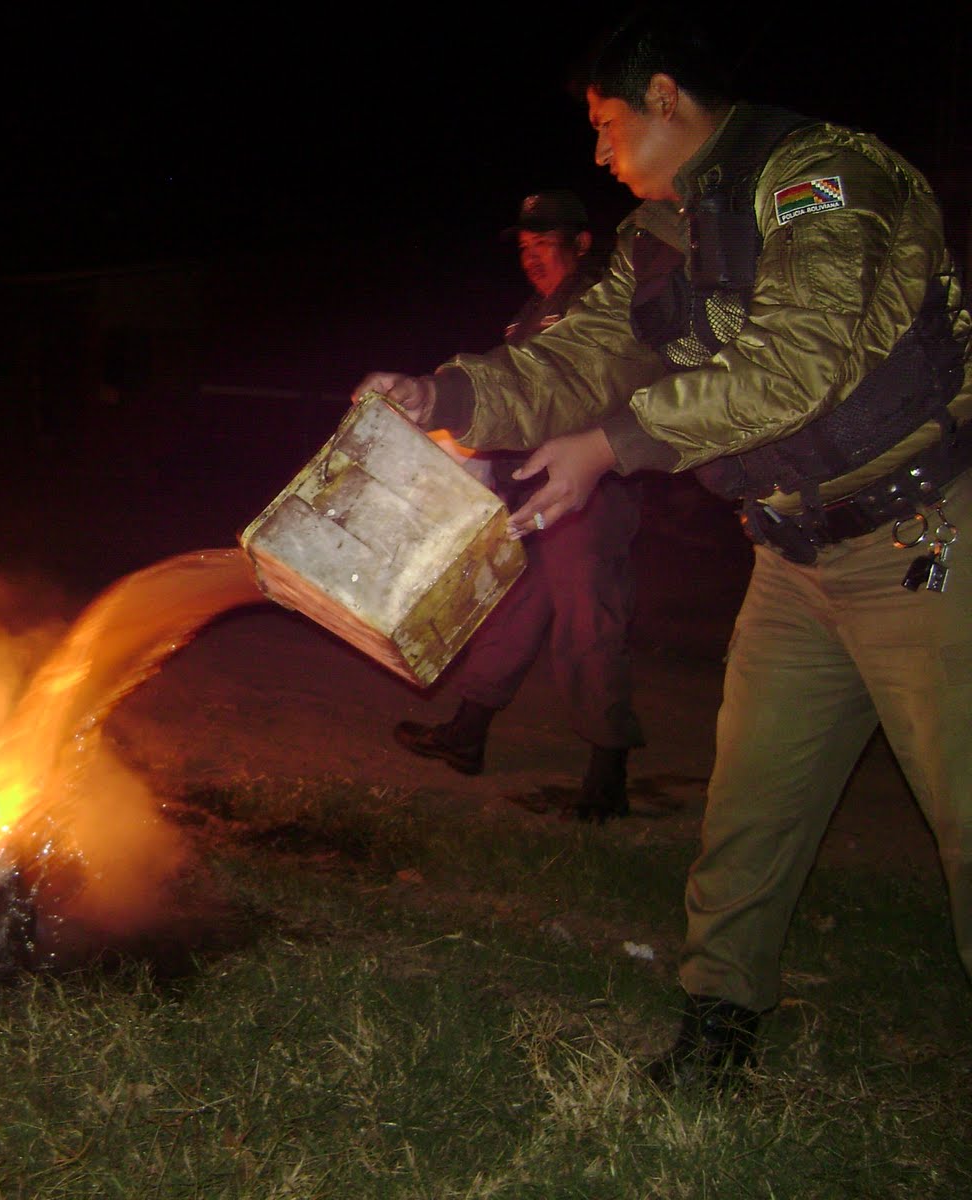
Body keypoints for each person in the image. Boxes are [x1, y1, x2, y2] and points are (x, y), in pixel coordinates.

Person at [355, 10, 972, 1088]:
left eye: (605, 123)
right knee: (750, 806)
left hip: (919, 538)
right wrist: (444, 392)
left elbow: (799, 363)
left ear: (668, 98)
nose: (596, 153)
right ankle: (716, 1026)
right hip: (789, 558)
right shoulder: (658, 238)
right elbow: (580, 358)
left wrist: (620, 442)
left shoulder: (819, 180)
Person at [394, 190, 644, 824]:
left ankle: (608, 769)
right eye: (524, 249)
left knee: (588, 621)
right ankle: (469, 729)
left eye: (544, 245)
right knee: (511, 604)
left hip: (590, 490)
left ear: (582, 243)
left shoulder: (600, 305)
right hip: (530, 487)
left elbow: (582, 392)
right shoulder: (534, 313)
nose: (530, 258)